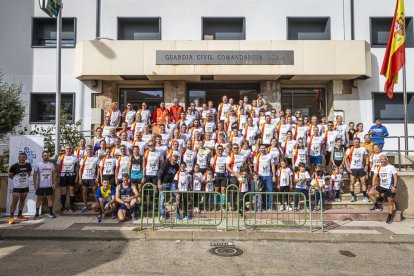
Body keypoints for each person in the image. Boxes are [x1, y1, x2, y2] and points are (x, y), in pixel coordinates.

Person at [369, 155, 397, 224]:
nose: (383, 161)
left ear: (386, 160)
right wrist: (373, 186)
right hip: (382, 186)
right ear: (380, 160)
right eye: (381, 160)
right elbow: (374, 176)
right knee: (370, 193)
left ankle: (389, 217)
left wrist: (394, 187)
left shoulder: (391, 167)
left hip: (389, 187)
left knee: (390, 202)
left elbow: (395, 177)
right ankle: (377, 206)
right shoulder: (378, 167)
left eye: (384, 159)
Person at [8, 153, 32, 224]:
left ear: (26, 158)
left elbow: (29, 174)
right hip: (17, 187)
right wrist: (17, 181)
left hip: (25, 187)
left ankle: (19, 215)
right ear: (18, 158)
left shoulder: (28, 165)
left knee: (22, 200)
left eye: (23, 157)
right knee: (15, 201)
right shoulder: (14, 166)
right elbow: (10, 175)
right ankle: (11, 217)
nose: (22, 158)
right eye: (21, 157)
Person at [33, 151, 56, 220]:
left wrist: (54, 183)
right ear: (42, 156)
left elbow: (54, 174)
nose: (46, 156)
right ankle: (37, 213)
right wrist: (35, 183)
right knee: (39, 199)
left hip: (49, 185)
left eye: (47, 155)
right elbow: (34, 174)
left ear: (49, 156)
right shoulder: (38, 164)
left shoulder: (51, 165)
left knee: (50, 198)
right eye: (45, 155)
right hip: (40, 185)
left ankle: (50, 212)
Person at [345, 137, 369, 202]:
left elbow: (367, 157)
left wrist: (366, 165)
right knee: (352, 183)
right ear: (353, 142)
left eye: (358, 142)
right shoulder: (350, 149)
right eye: (355, 142)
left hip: (361, 168)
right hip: (353, 168)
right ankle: (353, 196)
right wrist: (347, 167)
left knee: (363, 183)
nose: (356, 143)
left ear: (359, 142)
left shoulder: (363, 149)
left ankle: (365, 196)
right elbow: (345, 158)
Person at [254, 144, 277, 210]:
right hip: (260, 176)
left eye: (264, 148)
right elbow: (255, 166)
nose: (262, 149)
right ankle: (264, 206)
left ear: (266, 149)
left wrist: (274, 176)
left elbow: (272, 165)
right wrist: (255, 176)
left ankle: (270, 206)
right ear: (259, 149)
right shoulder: (257, 156)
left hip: (268, 176)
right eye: (261, 148)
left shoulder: (270, 155)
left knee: (270, 191)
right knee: (262, 191)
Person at [57, 145, 78, 212]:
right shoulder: (61, 157)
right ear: (65, 149)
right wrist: (58, 176)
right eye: (67, 148)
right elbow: (57, 167)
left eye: (69, 148)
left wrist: (77, 176)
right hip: (63, 175)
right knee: (63, 192)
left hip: (71, 175)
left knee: (72, 191)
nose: (68, 149)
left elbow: (77, 168)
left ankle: (72, 206)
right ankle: (63, 206)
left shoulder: (74, 157)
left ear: (71, 149)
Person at [79, 145, 100, 212]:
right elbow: (80, 169)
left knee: (95, 191)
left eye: (90, 149)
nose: (89, 151)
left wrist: (98, 177)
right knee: (84, 192)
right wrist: (80, 179)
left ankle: (98, 205)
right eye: (88, 149)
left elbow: (98, 168)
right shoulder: (83, 158)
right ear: (86, 150)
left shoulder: (96, 158)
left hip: (93, 177)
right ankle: (85, 206)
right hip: (85, 177)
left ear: (92, 150)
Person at [211, 145, 228, 210]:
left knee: (223, 190)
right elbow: (212, 167)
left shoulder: (225, 157)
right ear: (216, 150)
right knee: (216, 190)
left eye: (221, 149)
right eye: (219, 149)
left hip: (223, 175)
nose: (220, 150)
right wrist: (212, 176)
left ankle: (223, 205)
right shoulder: (214, 157)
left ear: (223, 150)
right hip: (217, 174)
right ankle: (215, 205)